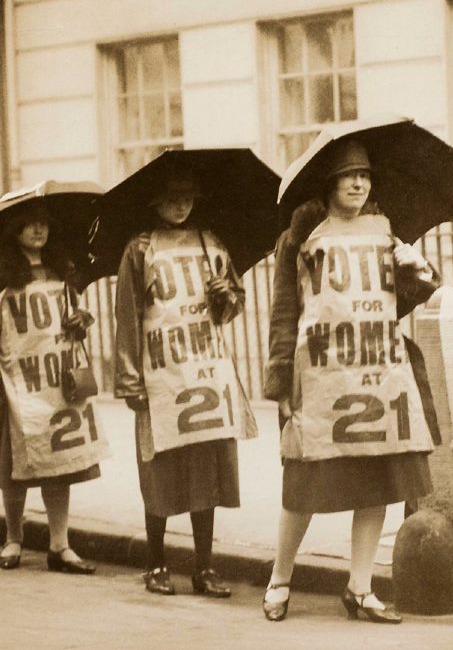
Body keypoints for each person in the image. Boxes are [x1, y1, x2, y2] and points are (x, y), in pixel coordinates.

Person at [261, 140, 439, 624]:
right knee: (303, 486)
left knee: (379, 483)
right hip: (320, 377)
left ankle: (360, 588)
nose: (358, 184)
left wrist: (416, 274)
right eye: (348, 176)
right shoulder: (302, 237)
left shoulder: (386, 232)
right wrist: (280, 385)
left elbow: (392, 304)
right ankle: (280, 579)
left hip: (378, 374)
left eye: (364, 175)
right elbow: (283, 313)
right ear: (330, 184)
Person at [113, 177, 258, 598]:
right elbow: (127, 315)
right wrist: (129, 380)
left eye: (187, 199)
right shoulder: (140, 249)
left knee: (206, 470)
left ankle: (204, 567)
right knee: (160, 470)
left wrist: (224, 294)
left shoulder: (210, 243)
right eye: (171, 198)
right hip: (160, 374)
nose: (180, 206)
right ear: (155, 201)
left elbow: (232, 307)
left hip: (206, 372)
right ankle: (156, 562)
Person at [0, 201, 108, 574]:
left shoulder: (61, 271)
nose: (38, 231)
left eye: (43, 225)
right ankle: (13, 539)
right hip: (18, 383)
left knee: (59, 464)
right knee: (16, 466)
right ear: (14, 231)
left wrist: (81, 320)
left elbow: (71, 321)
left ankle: (59, 544)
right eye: (29, 225)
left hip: (56, 382)